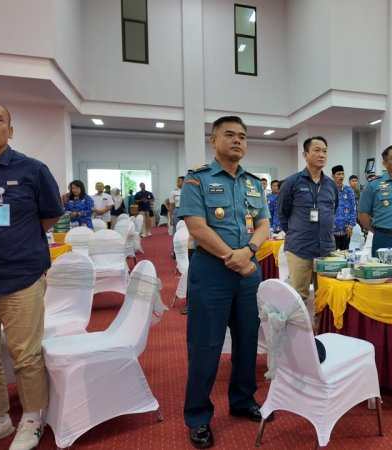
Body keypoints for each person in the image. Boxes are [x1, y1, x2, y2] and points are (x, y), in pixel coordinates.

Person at [0, 99, 65, 449]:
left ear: (10, 130)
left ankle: (32, 418)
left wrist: (11, 240)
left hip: (21, 277)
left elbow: (49, 216)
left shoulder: (33, 170)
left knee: (26, 354)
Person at [176, 115, 272, 449]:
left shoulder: (253, 183)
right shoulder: (197, 180)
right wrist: (233, 257)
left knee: (247, 341)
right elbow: (197, 228)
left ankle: (243, 400)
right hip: (212, 273)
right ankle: (198, 416)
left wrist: (248, 251)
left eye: (243, 136)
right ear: (214, 140)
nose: (237, 141)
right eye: (229, 135)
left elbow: (263, 225)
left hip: (247, 274)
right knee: (205, 345)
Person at [278, 137, 339, 303]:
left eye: (325, 151)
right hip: (300, 248)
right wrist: (296, 232)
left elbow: (333, 210)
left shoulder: (330, 185)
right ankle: (299, 329)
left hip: (326, 249)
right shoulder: (292, 182)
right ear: (305, 154)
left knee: (325, 296)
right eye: (317, 150)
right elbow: (283, 213)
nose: (322, 155)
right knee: (299, 296)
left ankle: (320, 328)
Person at [331, 165, 357, 250]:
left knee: (345, 255)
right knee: (333, 256)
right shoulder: (329, 190)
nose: (341, 176)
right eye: (338, 174)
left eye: (342, 174)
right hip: (332, 231)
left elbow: (353, 210)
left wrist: (351, 225)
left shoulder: (349, 190)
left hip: (346, 230)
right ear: (333, 176)